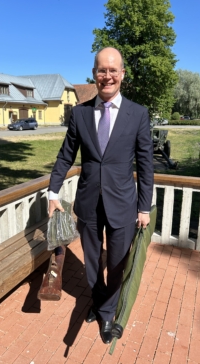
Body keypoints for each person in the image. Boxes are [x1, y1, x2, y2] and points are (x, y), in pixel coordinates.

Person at [48, 47, 154, 344]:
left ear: (122, 74)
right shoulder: (80, 114)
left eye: (112, 70)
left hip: (123, 205)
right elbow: (65, 156)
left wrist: (144, 207)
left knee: (118, 263)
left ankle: (107, 311)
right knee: (92, 261)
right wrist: (52, 193)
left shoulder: (138, 114)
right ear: (94, 74)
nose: (107, 76)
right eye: (101, 70)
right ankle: (97, 301)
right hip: (89, 205)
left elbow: (146, 166)